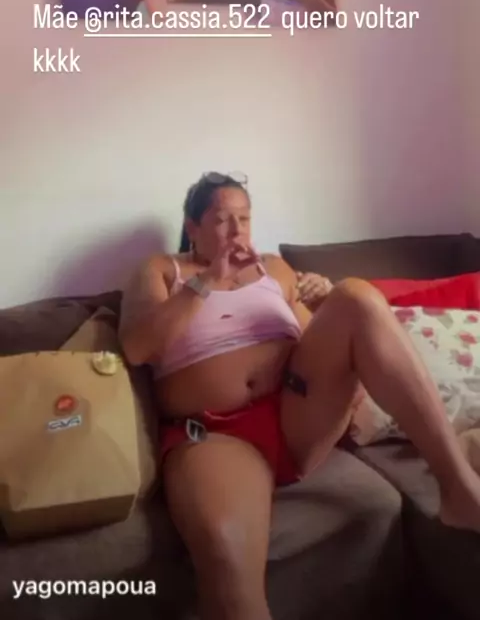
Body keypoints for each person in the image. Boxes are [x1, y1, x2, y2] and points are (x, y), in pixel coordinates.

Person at [119, 172, 480, 620]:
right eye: (222, 219)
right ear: (192, 227)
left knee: (355, 296)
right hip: (217, 435)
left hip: (295, 411)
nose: (236, 231)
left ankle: (461, 491)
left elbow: (319, 340)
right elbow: (138, 347)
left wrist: (324, 300)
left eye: (244, 219)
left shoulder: (273, 269)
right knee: (227, 558)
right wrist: (208, 280)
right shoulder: (161, 270)